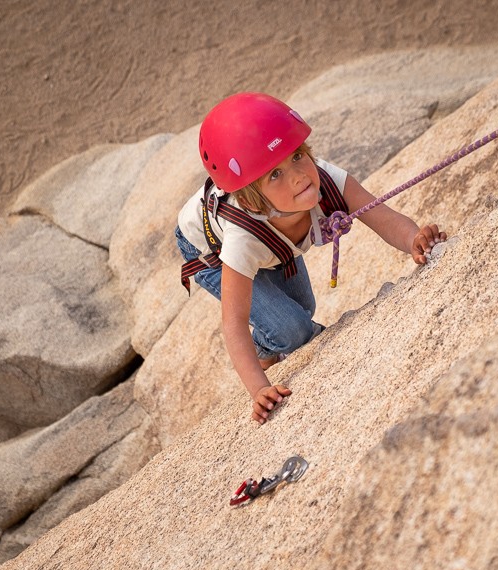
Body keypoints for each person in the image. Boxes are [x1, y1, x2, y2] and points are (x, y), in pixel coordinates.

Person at [175, 92, 446, 424]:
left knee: (304, 306)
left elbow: (382, 216)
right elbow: (233, 322)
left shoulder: (326, 181)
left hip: (272, 247)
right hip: (209, 249)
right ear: (252, 199)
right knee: (292, 330)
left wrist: (413, 238)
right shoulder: (242, 239)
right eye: (274, 174)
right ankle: (265, 354)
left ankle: (269, 344)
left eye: (298, 156)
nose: (298, 175)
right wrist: (259, 389)